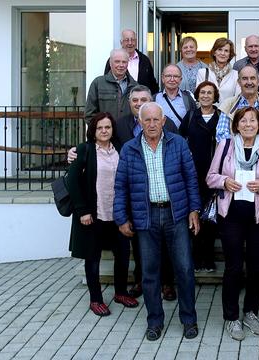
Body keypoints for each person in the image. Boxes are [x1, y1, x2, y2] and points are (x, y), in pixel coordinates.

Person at [70, 85, 179, 300]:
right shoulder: (112, 132)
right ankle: (112, 293)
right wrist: (74, 152)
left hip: (146, 199)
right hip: (112, 205)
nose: (139, 103)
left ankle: (153, 285)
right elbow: (78, 175)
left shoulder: (166, 127)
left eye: (144, 99)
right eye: (135, 100)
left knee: (142, 249)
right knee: (116, 251)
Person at [113, 102, 202, 341]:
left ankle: (189, 320)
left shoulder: (179, 144)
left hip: (176, 215)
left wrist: (194, 209)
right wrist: (121, 217)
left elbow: (191, 179)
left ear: (163, 121)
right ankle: (154, 321)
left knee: (184, 269)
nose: (152, 124)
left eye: (156, 120)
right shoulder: (129, 149)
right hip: (146, 216)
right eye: (147, 120)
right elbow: (120, 186)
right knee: (150, 273)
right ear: (139, 122)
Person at [206, 107, 259, 341]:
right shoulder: (225, 145)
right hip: (231, 216)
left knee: (257, 267)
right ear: (236, 125)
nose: (248, 124)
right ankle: (231, 317)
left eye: (253, 121)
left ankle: (251, 312)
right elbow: (210, 178)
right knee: (233, 267)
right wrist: (225, 181)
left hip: (258, 216)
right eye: (243, 121)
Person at [67, 112, 139, 317]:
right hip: (93, 214)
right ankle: (96, 299)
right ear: (93, 131)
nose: (104, 131)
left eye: (107, 127)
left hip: (117, 214)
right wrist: (82, 211)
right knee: (93, 258)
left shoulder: (120, 150)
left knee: (123, 255)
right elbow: (73, 181)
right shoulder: (85, 150)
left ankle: (121, 292)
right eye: (100, 128)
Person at [179, 81, 221, 272]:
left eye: (209, 93)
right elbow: (180, 142)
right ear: (197, 95)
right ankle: (196, 258)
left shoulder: (222, 117)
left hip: (214, 174)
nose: (205, 96)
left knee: (211, 218)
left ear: (215, 96)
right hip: (193, 174)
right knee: (194, 214)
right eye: (202, 92)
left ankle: (208, 258)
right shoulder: (189, 117)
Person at [216, 65, 259, 145]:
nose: (249, 82)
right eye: (245, 78)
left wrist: (257, 150)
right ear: (239, 82)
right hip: (234, 154)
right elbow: (221, 135)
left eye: (253, 78)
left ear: (258, 81)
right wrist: (241, 150)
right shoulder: (228, 104)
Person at [85, 48, 137, 123]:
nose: (121, 65)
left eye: (124, 62)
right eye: (117, 61)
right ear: (110, 63)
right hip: (106, 134)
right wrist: (101, 131)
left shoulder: (135, 86)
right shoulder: (98, 84)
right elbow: (89, 115)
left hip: (128, 134)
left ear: (128, 63)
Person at [104, 29, 159, 94]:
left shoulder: (145, 60)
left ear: (136, 42)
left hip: (140, 101)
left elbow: (152, 83)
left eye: (133, 40)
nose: (130, 43)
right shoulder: (113, 60)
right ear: (121, 43)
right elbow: (107, 81)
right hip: (119, 101)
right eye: (127, 40)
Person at [155, 64, 197, 129]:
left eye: (176, 76)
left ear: (180, 80)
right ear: (163, 78)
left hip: (182, 138)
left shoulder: (188, 99)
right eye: (168, 76)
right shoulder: (154, 99)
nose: (172, 79)